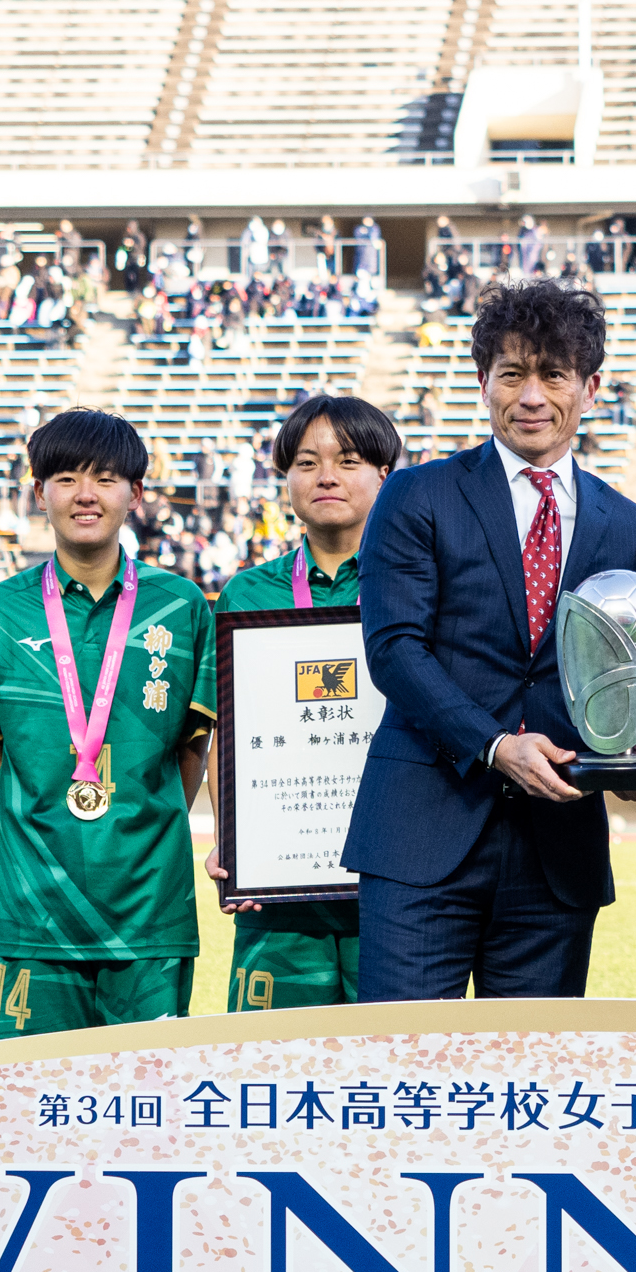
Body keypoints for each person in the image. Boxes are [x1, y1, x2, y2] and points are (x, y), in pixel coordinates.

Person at [349, 279, 636, 1000]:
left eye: (553, 375)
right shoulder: (417, 494)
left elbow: (622, 674)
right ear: (483, 381)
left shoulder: (630, 526)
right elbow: (394, 648)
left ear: (590, 388)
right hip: (422, 830)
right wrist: (493, 745)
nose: (531, 396)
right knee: (403, 1057)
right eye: (513, 373)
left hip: (558, 847)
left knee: (534, 1066)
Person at [0, 410, 216, 1036]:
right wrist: (40, 812)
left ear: (136, 492)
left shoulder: (181, 606)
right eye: (67, 478)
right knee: (27, 1091)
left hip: (150, 907)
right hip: (32, 905)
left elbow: (193, 744)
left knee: (148, 1090)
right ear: (39, 491)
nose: (86, 494)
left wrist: (142, 821)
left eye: (105, 478)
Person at [207, 395, 401, 1010]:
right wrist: (235, 841)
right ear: (285, 478)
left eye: (348, 461)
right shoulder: (247, 594)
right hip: (280, 897)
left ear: (385, 475)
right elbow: (227, 734)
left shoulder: (421, 583)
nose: (326, 477)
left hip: (398, 891)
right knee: (272, 1062)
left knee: (396, 1062)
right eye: (307, 463)